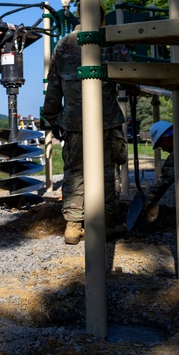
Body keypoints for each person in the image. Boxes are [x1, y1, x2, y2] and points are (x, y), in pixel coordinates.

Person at [41, 14, 131, 245]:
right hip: (107, 120)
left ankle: (73, 226)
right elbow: (131, 74)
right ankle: (107, 223)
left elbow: (53, 86)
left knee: (75, 172)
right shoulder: (111, 40)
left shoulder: (63, 45)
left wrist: (53, 117)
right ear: (102, 17)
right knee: (108, 171)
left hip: (74, 121)